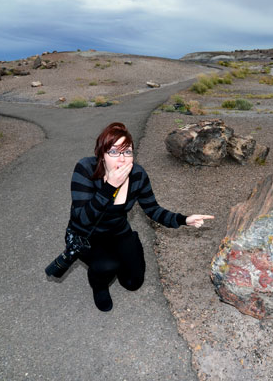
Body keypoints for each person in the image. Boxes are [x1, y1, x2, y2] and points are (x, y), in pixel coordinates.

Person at [70, 122, 213, 311]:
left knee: (132, 283)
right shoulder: (86, 169)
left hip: (118, 232)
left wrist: (184, 219)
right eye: (114, 152)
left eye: (127, 152)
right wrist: (110, 186)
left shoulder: (137, 174)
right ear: (101, 154)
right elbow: (83, 218)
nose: (122, 159)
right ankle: (99, 284)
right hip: (86, 235)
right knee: (106, 266)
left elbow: (153, 209)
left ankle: (128, 248)